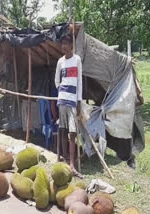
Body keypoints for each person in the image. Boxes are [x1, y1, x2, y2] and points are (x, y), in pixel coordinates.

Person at [55, 33, 83, 178]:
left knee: (72, 133)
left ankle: (72, 163)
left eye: (66, 44)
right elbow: (56, 80)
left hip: (72, 101)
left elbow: (79, 82)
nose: (63, 46)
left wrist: (79, 101)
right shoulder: (60, 62)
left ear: (71, 46)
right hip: (62, 100)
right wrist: (61, 90)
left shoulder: (77, 60)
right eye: (62, 44)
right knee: (63, 130)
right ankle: (65, 159)